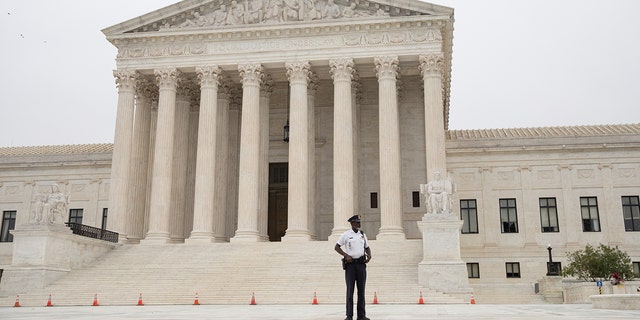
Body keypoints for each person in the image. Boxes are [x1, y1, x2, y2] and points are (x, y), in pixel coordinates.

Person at [335, 215, 371, 320]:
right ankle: (349, 316)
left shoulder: (362, 235)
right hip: (350, 266)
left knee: (361, 291)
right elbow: (336, 247)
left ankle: (361, 316)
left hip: (361, 265)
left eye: (359, 222)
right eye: (356, 222)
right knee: (350, 291)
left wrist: (369, 255)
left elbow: (367, 247)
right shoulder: (346, 235)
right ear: (352, 223)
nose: (359, 224)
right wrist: (346, 255)